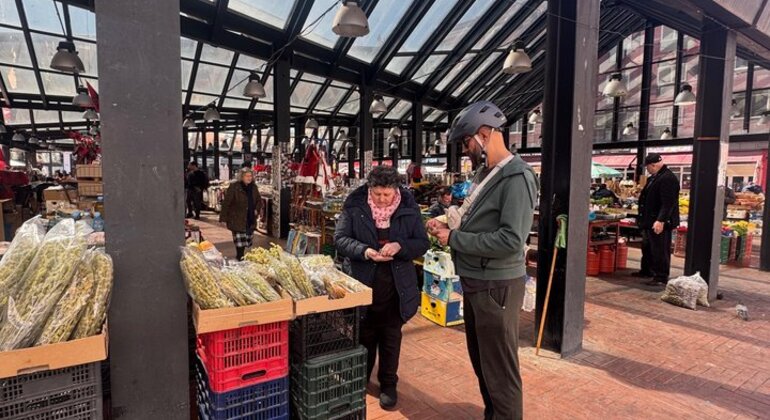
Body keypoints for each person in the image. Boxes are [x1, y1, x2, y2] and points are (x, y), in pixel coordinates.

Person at [427, 101, 538, 420]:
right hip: (478, 282)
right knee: (484, 365)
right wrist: (449, 227)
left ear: (485, 134)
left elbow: (511, 240)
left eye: (466, 143)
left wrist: (455, 239)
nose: (466, 150)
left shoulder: (517, 177)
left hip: (497, 286)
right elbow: (479, 221)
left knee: (500, 372)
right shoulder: (485, 173)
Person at [334, 165, 429, 411]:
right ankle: (361, 381)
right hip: (363, 284)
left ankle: (388, 384)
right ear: (370, 188)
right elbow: (340, 239)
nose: (382, 199)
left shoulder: (408, 207)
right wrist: (364, 251)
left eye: (387, 195)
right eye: (377, 194)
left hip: (397, 288)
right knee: (363, 337)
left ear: (396, 190)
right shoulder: (354, 205)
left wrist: (400, 246)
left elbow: (421, 242)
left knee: (390, 339)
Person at [633, 153, 680, 286]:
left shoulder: (668, 178)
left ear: (653, 165)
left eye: (647, 166)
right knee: (648, 246)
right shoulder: (654, 177)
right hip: (649, 220)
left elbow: (668, 203)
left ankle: (661, 276)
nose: (646, 169)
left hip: (659, 222)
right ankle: (647, 270)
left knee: (660, 248)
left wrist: (661, 220)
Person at [219, 168, 261, 261]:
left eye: (250, 176)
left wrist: (256, 210)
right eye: (247, 176)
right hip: (237, 217)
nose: (249, 178)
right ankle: (240, 257)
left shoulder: (254, 187)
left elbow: (259, 200)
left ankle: (241, 256)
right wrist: (223, 218)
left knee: (247, 239)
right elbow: (226, 203)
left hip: (249, 218)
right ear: (241, 177)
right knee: (239, 241)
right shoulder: (234, 187)